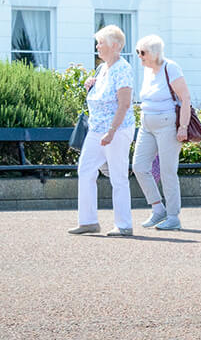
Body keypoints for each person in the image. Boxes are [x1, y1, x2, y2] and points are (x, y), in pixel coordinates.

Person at [70, 25, 136, 237]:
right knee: (86, 170)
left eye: (101, 42)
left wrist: (111, 131)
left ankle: (124, 224)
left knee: (118, 176)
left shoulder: (123, 68)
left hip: (116, 129)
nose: (97, 46)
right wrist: (90, 86)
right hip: (96, 129)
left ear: (115, 46)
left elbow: (124, 104)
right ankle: (88, 221)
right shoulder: (102, 68)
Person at [130, 34, 192, 231]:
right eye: (138, 52)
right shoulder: (148, 71)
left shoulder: (170, 68)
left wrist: (183, 127)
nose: (139, 56)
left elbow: (185, 97)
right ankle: (158, 208)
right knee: (138, 166)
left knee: (167, 171)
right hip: (146, 124)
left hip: (167, 124)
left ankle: (173, 217)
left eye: (143, 52)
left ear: (154, 53)